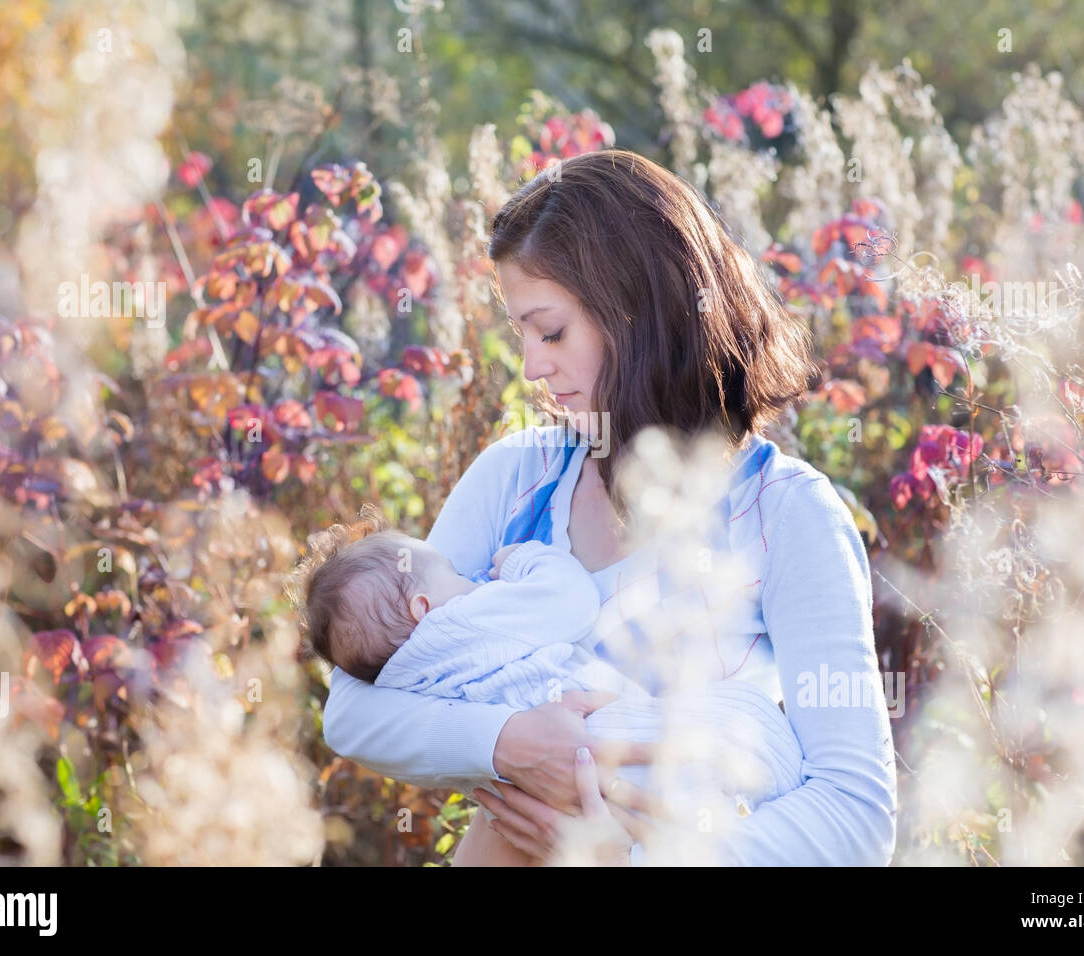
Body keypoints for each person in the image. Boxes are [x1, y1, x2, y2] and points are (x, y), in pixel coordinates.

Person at [322, 147, 898, 865]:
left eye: (552, 331)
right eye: (522, 334)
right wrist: (513, 745)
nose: (532, 366)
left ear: (636, 310)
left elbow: (856, 814)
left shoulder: (787, 515)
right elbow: (353, 706)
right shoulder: (517, 476)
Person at [301, 517, 805, 865]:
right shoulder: (466, 620)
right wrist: (523, 560)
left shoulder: (401, 682)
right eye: (456, 574)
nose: (472, 578)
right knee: (747, 716)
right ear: (424, 608)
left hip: (552, 805)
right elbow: (570, 600)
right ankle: (787, 788)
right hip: (606, 732)